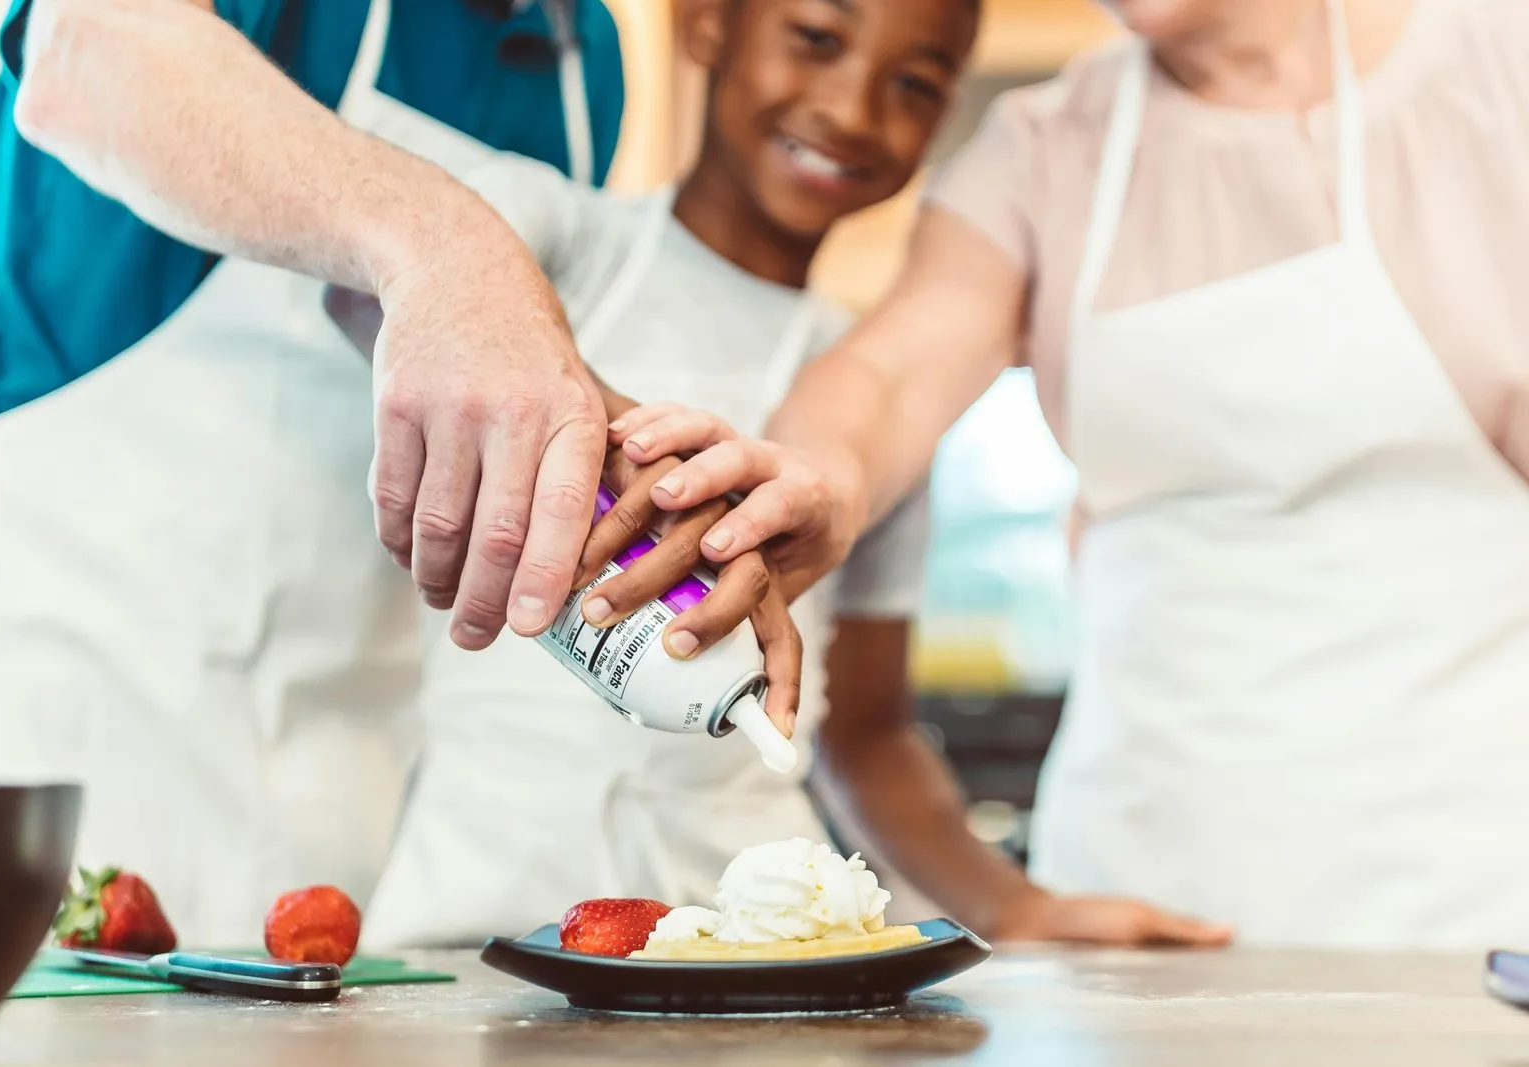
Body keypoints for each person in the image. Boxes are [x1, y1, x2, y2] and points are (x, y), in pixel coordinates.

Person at [607, 0, 1529, 949]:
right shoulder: (1043, 151)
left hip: (1486, 871)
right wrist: (814, 477)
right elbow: (885, 374)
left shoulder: (1501, 68)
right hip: (1144, 892)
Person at [330, 0, 1227, 950]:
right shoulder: (550, 242)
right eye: (815, 39)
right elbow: (365, 288)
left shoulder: (871, 395)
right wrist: (605, 440)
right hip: (474, 920)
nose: (853, 108)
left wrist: (1018, 906)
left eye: (915, 84)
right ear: (706, 25)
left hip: (752, 941)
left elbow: (869, 738)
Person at [0, 0, 637, 936]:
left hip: (350, 730)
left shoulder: (584, 58)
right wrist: (444, 242)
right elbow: (82, 46)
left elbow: (408, 333)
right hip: (41, 676)